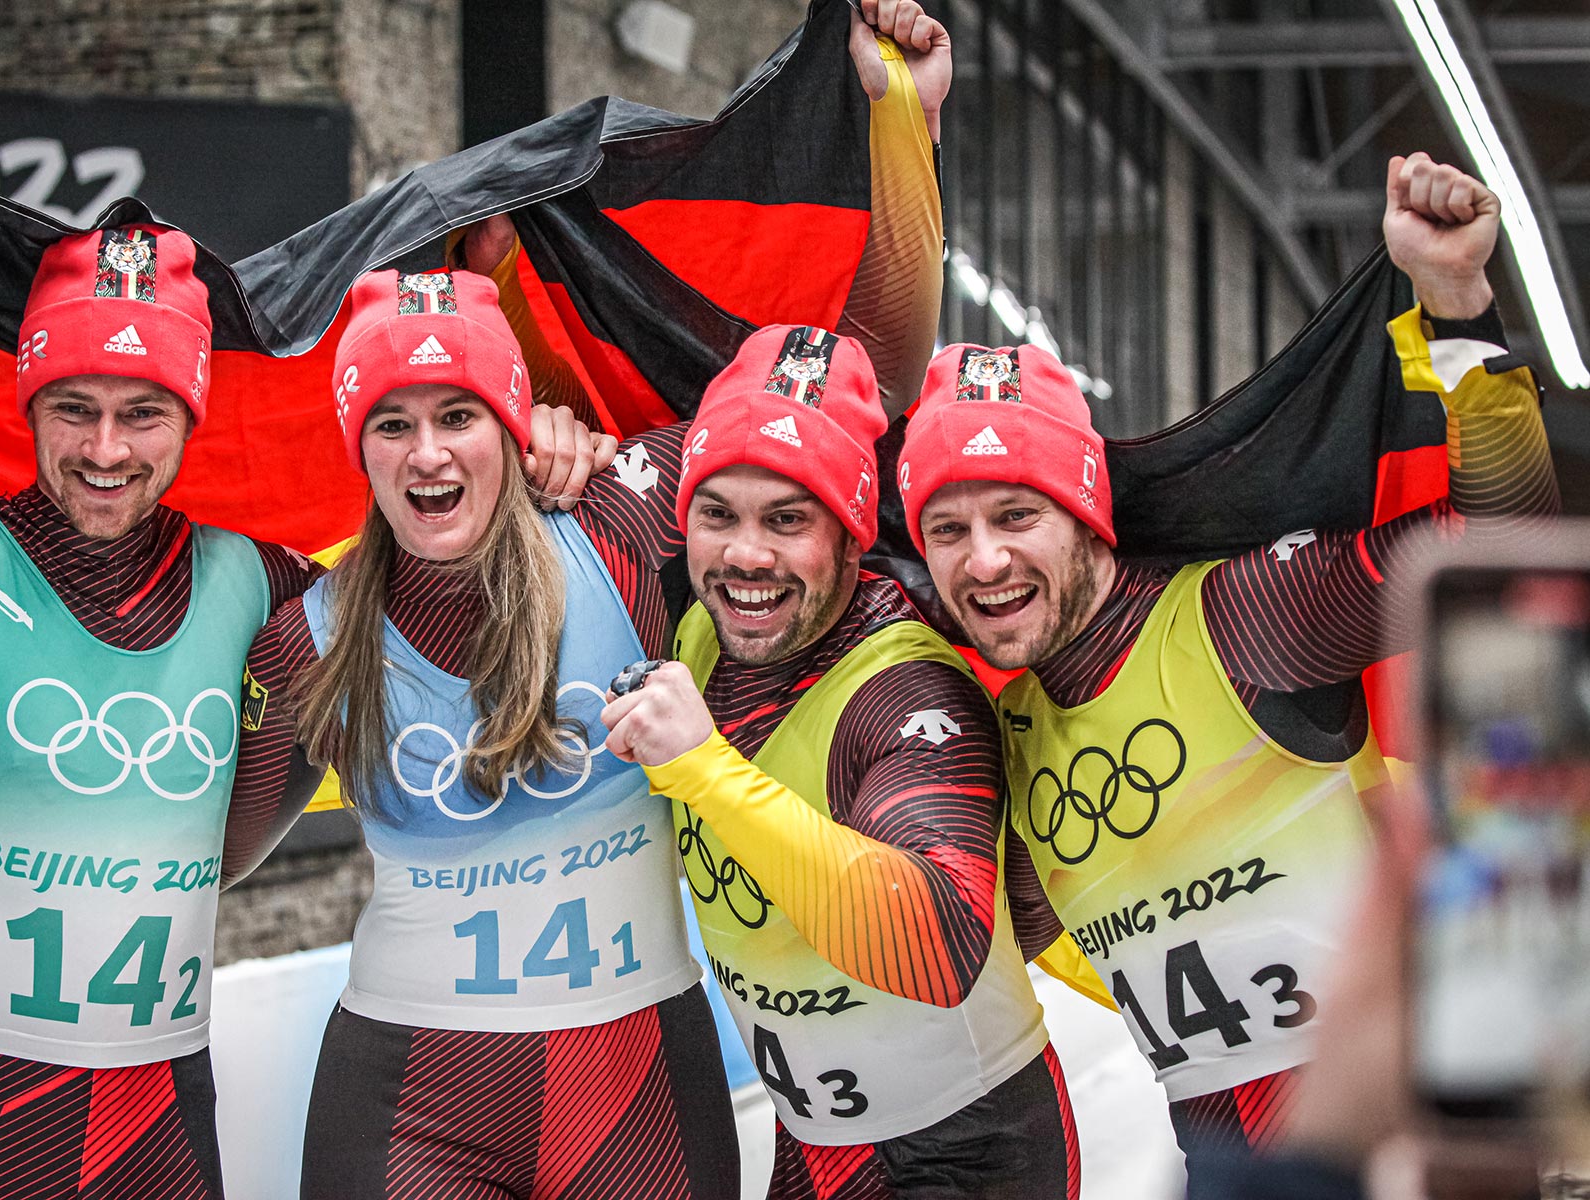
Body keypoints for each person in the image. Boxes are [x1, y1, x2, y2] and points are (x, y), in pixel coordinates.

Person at [0, 226, 601, 1199]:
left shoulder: (267, 591)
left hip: (162, 1140)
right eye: (73, 408)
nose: (106, 449)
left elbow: (472, 533)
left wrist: (554, 429)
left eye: (143, 411)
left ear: (190, 415)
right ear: (30, 402)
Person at [892, 151, 1558, 1162]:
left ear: (1085, 515)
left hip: (1411, 1146)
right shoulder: (1010, 734)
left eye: (1016, 514)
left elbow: (1509, 565)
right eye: (946, 529)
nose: (983, 559)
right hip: (1227, 1168)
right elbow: (967, 953)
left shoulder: (1245, 616)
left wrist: (1457, 305)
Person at [235, 267, 741, 1200]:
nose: (428, 454)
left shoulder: (624, 523)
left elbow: (832, 410)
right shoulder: (307, 636)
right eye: (393, 424)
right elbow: (201, 858)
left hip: (634, 1080)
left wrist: (903, 140)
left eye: (459, 415)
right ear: (361, 449)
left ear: (512, 422)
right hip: (409, 1095)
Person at [600, 323, 1081, 1200]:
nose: (746, 555)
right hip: (811, 1145)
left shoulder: (905, 690)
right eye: (719, 514)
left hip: (965, 1150)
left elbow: (936, 948)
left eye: (787, 520)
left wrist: (705, 767)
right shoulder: (700, 627)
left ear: (851, 534)